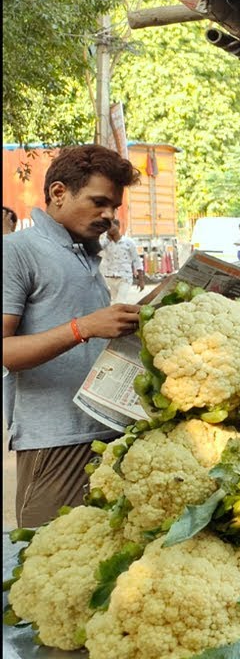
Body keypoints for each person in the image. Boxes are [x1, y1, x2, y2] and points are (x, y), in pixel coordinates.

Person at [2, 144, 143, 527]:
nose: (108, 215)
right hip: (54, 440)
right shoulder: (17, 251)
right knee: (48, 565)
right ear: (59, 192)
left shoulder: (82, 253)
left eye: (114, 206)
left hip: (109, 433)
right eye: (99, 202)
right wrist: (84, 328)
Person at [100, 218, 147, 301]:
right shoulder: (105, 243)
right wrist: (107, 240)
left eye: (111, 227)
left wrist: (141, 279)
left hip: (124, 277)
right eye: (107, 228)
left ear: (118, 227)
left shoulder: (128, 242)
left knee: (120, 301)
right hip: (110, 277)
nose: (108, 230)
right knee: (115, 302)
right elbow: (96, 250)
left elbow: (136, 260)